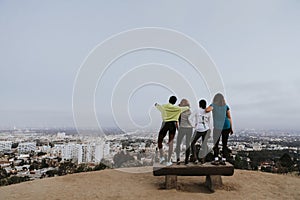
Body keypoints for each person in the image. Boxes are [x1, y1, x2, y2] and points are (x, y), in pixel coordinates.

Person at [155, 96, 189, 166]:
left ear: (169, 100)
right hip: (173, 125)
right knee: (171, 143)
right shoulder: (178, 109)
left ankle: (161, 156)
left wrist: (156, 104)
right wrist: (181, 106)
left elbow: (157, 105)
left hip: (164, 124)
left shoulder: (164, 106)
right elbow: (187, 108)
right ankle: (168, 161)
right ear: (175, 102)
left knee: (160, 140)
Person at [206, 93, 233, 162]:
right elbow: (229, 117)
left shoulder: (213, 105)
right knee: (225, 144)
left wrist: (212, 106)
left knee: (216, 143)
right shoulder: (226, 106)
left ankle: (216, 158)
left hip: (218, 127)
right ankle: (224, 159)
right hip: (227, 126)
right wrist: (231, 128)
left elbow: (207, 110)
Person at [190, 99, 212, 164]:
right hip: (206, 129)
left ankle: (195, 158)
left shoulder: (197, 110)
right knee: (204, 144)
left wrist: (193, 125)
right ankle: (203, 159)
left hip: (198, 129)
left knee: (192, 143)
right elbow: (209, 122)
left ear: (199, 104)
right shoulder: (208, 112)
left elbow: (189, 118)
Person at [175, 99, 193, 165]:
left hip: (182, 128)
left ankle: (178, 159)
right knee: (188, 144)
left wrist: (178, 129)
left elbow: (176, 121)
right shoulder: (190, 112)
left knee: (178, 144)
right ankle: (186, 160)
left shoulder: (180, 111)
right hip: (189, 129)